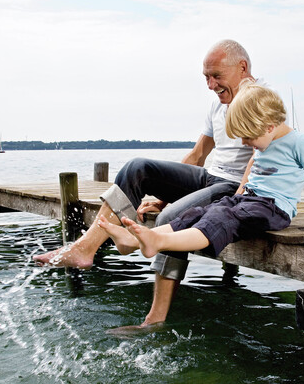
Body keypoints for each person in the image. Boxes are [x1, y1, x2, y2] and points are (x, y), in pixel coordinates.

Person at [33, 40, 264, 327]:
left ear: (242, 67)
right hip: (209, 177)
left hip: (233, 187)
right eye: (206, 77)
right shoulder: (218, 105)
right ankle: (87, 247)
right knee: (136, 168)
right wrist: (166, 193)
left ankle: (154, 318)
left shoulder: (261, 100)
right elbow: (197, 155)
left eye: (216, 76)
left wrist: (237, 197)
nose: (210, 84)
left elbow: (261, 158)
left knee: (171, 218)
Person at [96, 84, 304, 305]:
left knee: (223, 218)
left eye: (248, 138)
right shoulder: (264, 142)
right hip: (248, 199)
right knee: (202, 211)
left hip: (273, 207)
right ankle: (135, 240)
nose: (246, 143)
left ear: (269, 126)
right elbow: (251, 168)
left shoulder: (299, 142)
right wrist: (237, 195)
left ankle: (158, 240)